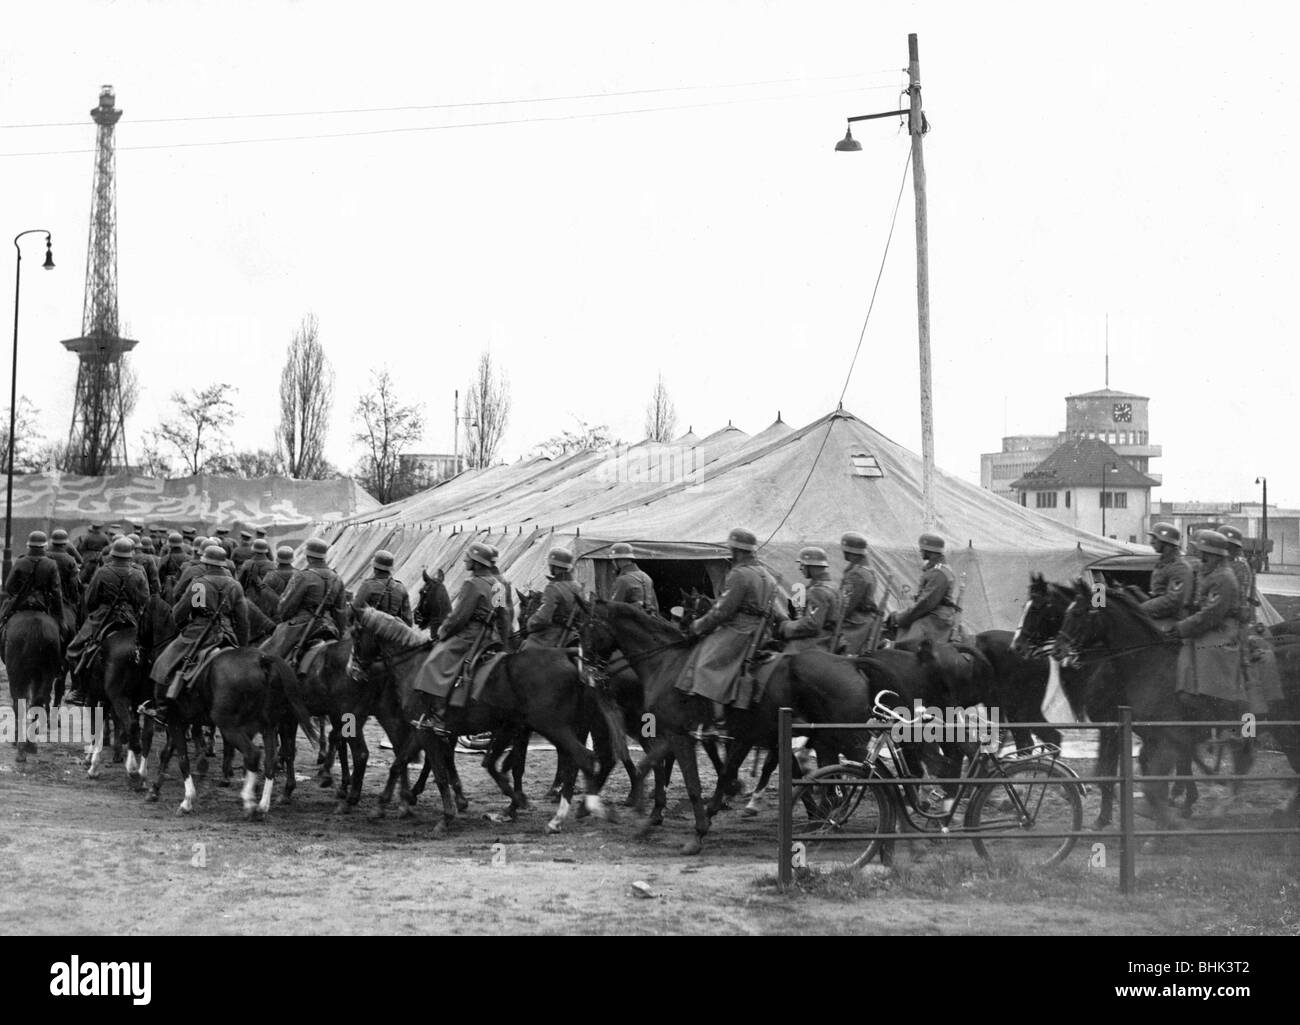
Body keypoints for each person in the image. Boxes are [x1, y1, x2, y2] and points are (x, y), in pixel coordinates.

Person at [676, 527, 783, 738]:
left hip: (739, 630)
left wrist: (698, 625)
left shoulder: (739, 574)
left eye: (732, 550)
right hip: (762, 632)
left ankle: (714, 721)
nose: (730, 554)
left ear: (737, 551)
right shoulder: (767, 575)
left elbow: (722, 611)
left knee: (704, 662)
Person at [144, 544, 251, 726]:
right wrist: (242, 646)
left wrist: (181, 624)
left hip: (199, 632)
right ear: (223, 564)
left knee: (164, 663)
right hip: (227, 634)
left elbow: (180, 614)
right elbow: (243, 620)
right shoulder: (235, 585)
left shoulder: (199, 583)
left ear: (206, 563)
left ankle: (162, 708)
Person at [411, 542, 510, 735]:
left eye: (469, 559)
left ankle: (438, 715)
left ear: (477, 563)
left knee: (434, 661)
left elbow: (460, 617)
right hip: (491, 636)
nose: (465, 561)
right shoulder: (498, 585)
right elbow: (503, 615)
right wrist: (504, 642)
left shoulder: (472, 584)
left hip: (470, 635)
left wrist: (442, 633)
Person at [63, 537, 150, 703]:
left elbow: (90, 600)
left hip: (103, 616)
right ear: (130, 556)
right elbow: (144, 599)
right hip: (131, 617)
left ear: (114, 555)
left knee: (74, 649)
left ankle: (80, 690)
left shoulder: (103, 572)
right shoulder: (138, 573)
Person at [1167, 530, 1245, 708]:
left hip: (1222, 630)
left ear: (1217, 556)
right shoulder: (1209, 573)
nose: (1201, 558)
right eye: (1201, 553)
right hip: (1207, 624)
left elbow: (1212, 614)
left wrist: (1182, 627)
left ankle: (1210, 700)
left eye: (1206, 554)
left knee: (1208, 649)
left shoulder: (1224, 578)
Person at [261, 538, 346, 666]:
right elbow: (340, 611)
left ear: (308, 556)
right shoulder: (337, 578)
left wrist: (285, 618)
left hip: (301, 625)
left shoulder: (302, 576)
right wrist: (339, 632)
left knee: (269, 660)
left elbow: (285, 607)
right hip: (328, 625)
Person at [0, 531, 66, 654]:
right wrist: (61, 618)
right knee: (64, 631)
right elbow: (56, 591)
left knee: (2, 620)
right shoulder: (51, 564)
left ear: (29, 546)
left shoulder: (20, 561)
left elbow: (9, 587)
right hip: (43, 603)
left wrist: (18, 592)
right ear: (45, 546)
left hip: (21, 602)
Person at [890, 534, 958, 646]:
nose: (920, 551)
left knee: (906, 645)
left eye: (922, 549)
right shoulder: (936, 569)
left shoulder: (938, 573)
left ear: (929, 551)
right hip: (933, 612)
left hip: (936, 616)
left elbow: (925, 604)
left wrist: (900, 618)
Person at [522, 548, 589, 649]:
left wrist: (531, 623)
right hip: (572, 634)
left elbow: (543, 617)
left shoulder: (553, 587)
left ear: (553, 566)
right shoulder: (578, 586)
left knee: (524, 650)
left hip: (553, 636)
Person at [778, 546, 840, 652]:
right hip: (828, 637)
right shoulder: (832, 586)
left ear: (811, 567)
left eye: (803, 565)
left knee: (781, 662)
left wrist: (786, 626)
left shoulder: (817, 591)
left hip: (816, 642)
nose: (800, 568)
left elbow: (812, 625)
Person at [1139, 522, 1194, 629]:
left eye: (1155, 538)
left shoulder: (1180, 567)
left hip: (1173, 621)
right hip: (1159, 614)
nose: (1151, 542)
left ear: (1166, 541)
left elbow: (1173, 601)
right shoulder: (1163, 563)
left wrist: (1141, 609)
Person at [835, 530, 880, 655]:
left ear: (849, 551)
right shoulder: (866, 570)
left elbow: (845, 606)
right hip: (863, 619)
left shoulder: (856, 574)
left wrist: (831, 619)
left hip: (855, 624)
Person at [351, 549, 413, 625]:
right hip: (393, 633)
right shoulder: (401, 588)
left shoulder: (368, 585)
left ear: (375, 569)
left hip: (371, 632)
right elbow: (408, 620)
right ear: (390, 569)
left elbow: (354, 610)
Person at [47, 529, 83, 640]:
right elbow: (73, 585)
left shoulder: (44, 556)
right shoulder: (69, 559)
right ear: (64, 543)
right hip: (64, 594)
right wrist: (75, 599)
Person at [609, 542, 659, 615]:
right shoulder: (647, 577)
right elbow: (656, 609)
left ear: (619, 560)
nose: (612, 563)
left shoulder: (622, 580)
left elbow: (613, 609)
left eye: (613, 560)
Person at [260, 546, 297, 611]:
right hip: (293, 612)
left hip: (275, 612)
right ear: (292, 559)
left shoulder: (270, 575)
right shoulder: (299, 574)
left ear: (278, 558)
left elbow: (264, 596)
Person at [158, 532, 189, 599]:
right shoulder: (189, 558)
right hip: (184, 588)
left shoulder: (165, 559)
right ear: (181, 544)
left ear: (169, 544)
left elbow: (159, 575)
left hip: (168, 588)